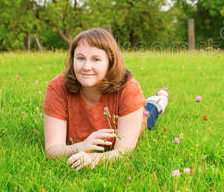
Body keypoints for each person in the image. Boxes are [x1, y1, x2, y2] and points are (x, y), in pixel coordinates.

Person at [42, 28, 168, 170]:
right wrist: (81, 147)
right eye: (80, 58)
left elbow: (123, 151)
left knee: (150, 112)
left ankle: (160, 99)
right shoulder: (57, 88)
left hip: (131, 117)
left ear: (110, 62)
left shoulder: (128, 88)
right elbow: (52, 150)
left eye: (96, 59)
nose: (86, 67)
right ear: (73, 60)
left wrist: (92, 158)